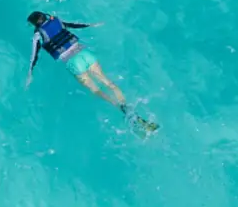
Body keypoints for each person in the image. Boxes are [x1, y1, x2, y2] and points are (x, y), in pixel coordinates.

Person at [26, 10, 157, 134]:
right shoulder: (57, 21)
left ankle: (121, 110)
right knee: (108, 83)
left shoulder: (37, 34)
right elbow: (74, 25)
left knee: (96, 90)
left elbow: (34, 56)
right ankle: (128, 108)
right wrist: (93, 25)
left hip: (74, 63)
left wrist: (30, 74)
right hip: (86, 55)